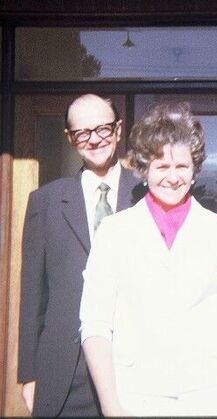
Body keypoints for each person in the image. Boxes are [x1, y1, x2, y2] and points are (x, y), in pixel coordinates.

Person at [79, 102, 217, 416]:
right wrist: (112, 407)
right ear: (144, 169)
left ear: (195, 170)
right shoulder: (113, 233)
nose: (173, 177)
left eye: (182, 167)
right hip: (138, 397)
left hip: (213, 396)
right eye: (162, 167)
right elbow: (95, 326)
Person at [18, 94, 146, 416]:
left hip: (134, 363)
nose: (94, 140)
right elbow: (33, 294)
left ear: (118, 130)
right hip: (63, 372)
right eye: (82, 132)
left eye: (102, 129)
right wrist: (29, 374)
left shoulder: (147, 193)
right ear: (70, 138)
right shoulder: (45, 202)